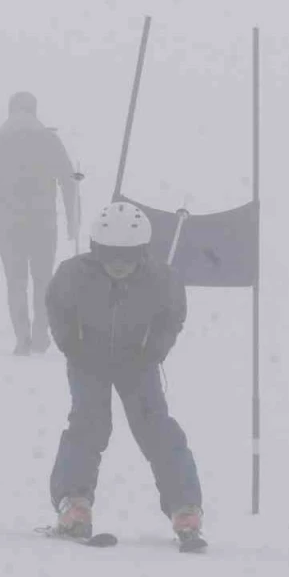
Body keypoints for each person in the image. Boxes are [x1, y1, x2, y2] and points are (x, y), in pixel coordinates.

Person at [44, 201, 205, 548]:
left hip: (138, 362)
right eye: (111, 255)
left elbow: (172, 316)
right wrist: (72, 345)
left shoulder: (161, 279)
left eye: (128, 257)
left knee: (156, 427)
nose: (119, 266)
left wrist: (154, 351)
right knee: (89, 423)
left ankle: (185, 506)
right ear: (96, 250)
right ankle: (74, 502)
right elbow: (56, 308)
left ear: (142, 254)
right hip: (89, 359)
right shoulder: (73, 274)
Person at [0, 91, 79, 354]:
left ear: (10, 110)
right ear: (35, 111)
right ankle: (41, 336)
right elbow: (68, 182)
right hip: (44, 223)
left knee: (15, 281)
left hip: (9, 226)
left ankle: (22, 339)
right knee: (43, 280)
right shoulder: (50, 140)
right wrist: (71, 222)